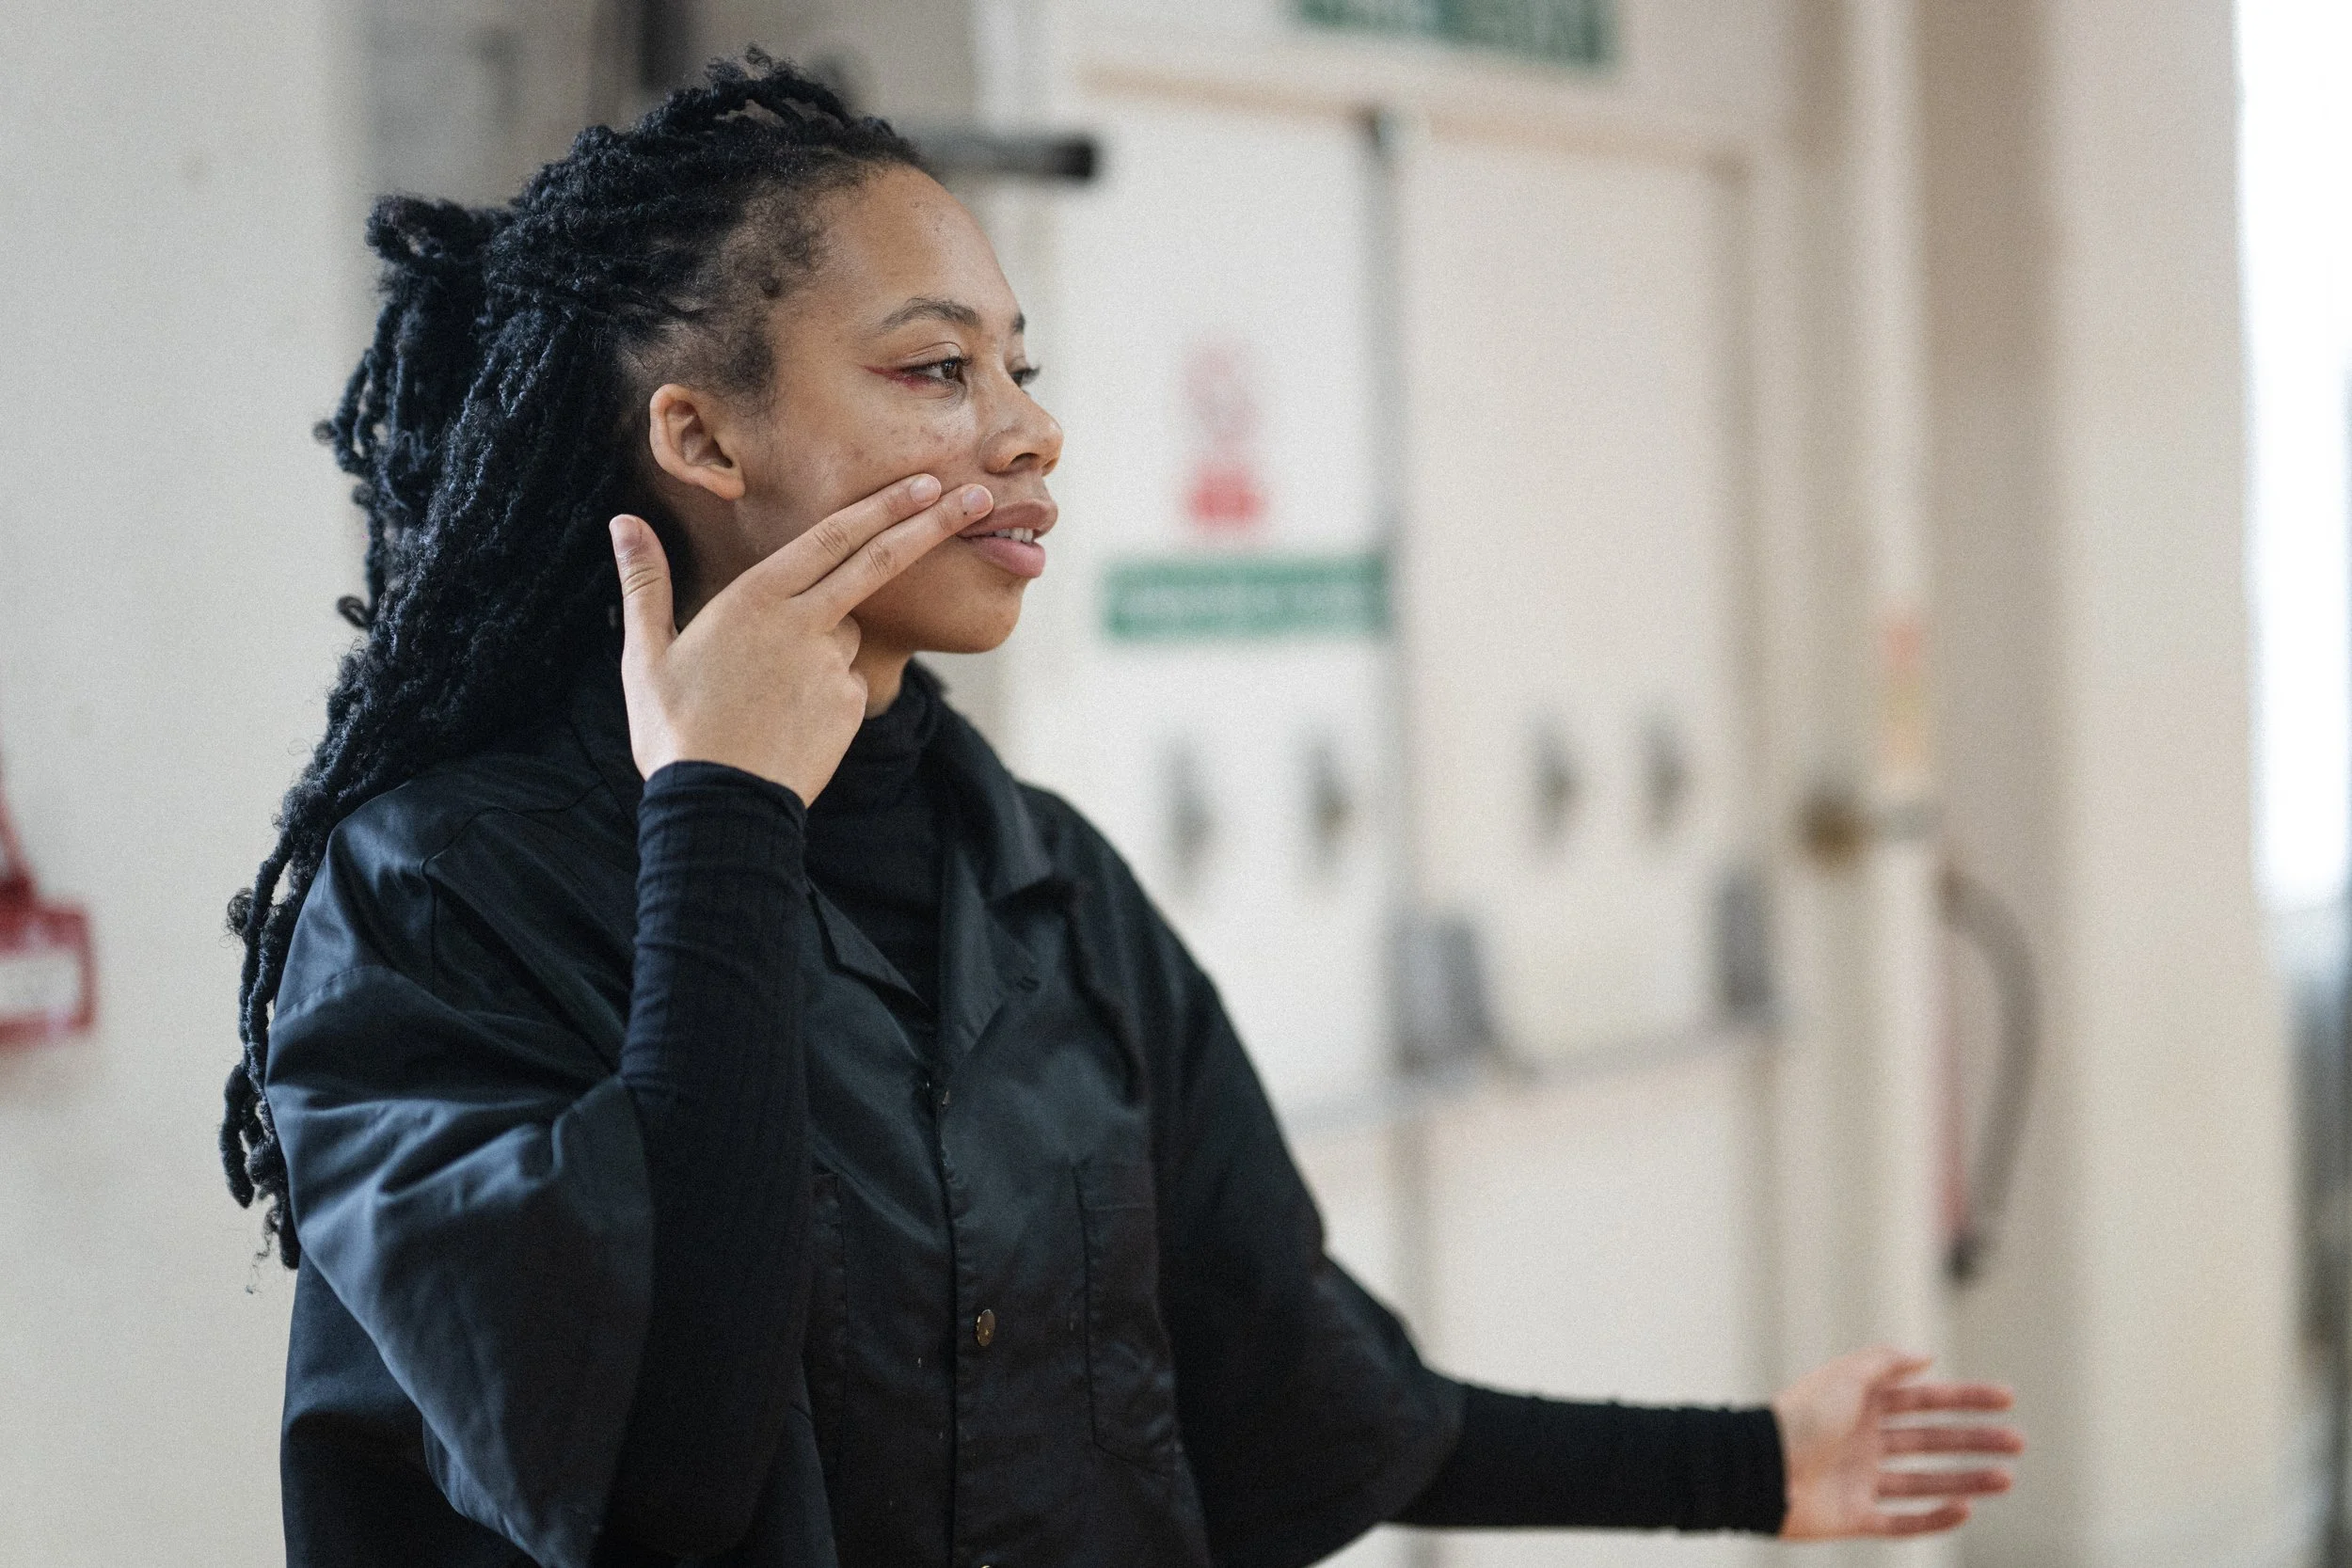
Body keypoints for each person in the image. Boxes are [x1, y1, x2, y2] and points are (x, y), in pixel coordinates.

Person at [221, 54, 2022, 1568]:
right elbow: (658, 1490)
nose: (1027, 429)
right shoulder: (436, 896)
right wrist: (717, 814)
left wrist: (1754, 1468)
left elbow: (1298, 1398)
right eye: (939, 369)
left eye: (1024, 365)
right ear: (704, 439)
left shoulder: (1037, 880)